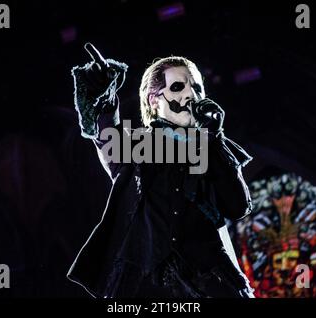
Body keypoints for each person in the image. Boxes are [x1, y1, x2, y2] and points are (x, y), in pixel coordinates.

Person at [67, 43, 255, 298]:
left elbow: (237, 207)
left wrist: (215, 138)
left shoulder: (212, 147)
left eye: (196, 87)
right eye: (178, 87)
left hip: (208, 279)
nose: (190, 95)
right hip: (145, 282)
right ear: (153, 99)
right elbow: (106, 136)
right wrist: (105, 94)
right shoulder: (136, 145)